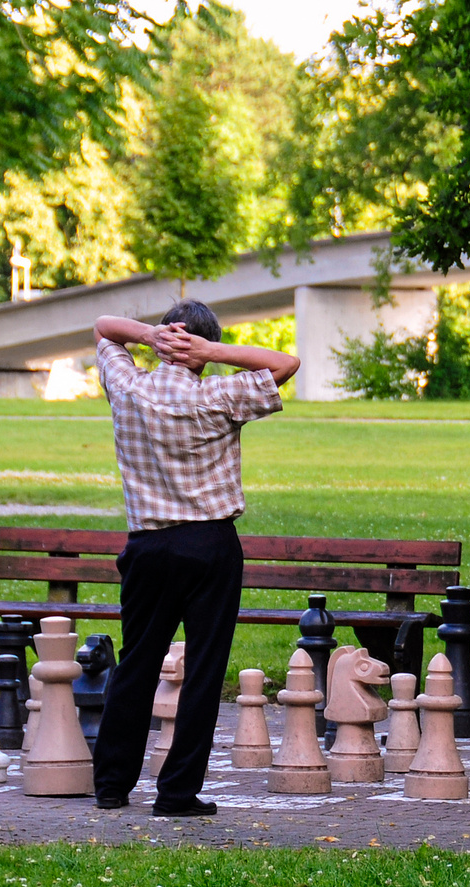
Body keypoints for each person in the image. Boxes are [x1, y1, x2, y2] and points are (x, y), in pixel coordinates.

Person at [90, 300, 299, 816]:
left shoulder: (128, 387)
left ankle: (112, 785)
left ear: (163, 340)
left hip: (146, 546)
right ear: (202, 352)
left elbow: (102, 328)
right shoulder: (218, 395)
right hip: (210, 546)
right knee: (203, 669)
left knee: (137, 662)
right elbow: (285, 363)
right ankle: (177, 793)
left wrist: (147, 334)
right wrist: (212, 351)